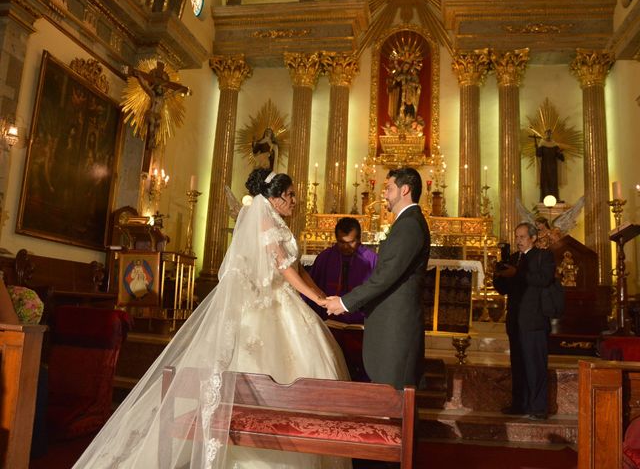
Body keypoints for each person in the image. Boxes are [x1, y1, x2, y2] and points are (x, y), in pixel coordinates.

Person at [73, 168, 350, 469]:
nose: (297, 200)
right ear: (275, 197)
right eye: (291, 195)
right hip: (268, 307)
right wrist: (318, 300)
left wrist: (322, 297)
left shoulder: (276, 220)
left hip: (283, 302)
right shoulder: (266, 221)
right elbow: (283, 268)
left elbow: (298, 268)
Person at [324, 167, 430, 390]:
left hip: (397, 326)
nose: (385, 194)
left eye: (389, 188)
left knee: (396, 395)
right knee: (393, 397)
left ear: (405, 190)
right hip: (392, 322)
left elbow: (385, 275)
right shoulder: (407, 222)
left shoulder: (410, 224)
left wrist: (344, 302)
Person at [493, 222, 556, 420]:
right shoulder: (513, 258)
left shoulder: (543, 256)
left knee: (535, 364)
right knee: (518, 364)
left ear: (533, 238)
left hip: (534, 320)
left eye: (522, 237)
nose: (518, 241)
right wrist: (498, 274)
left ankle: (538, 407)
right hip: (516, 320)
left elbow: (544, 279)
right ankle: (519, 404)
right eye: (517, 237)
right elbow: (504, 289)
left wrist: (517, 273)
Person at [306, 217, 378, 325]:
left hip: (361, 324)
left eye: (351, 242)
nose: (345, 247)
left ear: (359, 239)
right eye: (341, 242)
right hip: (329, 321)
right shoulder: (325, 257)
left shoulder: (371, 259)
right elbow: (311, 286)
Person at [534, 129, 564, 202]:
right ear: (545, 134)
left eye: (550, 133)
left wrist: (560, 154)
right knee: (545, 182)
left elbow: (561, 158)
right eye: (547, 133)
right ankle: (544, 198)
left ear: (551, 135)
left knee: (553, 182)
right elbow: (538, 154)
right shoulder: (542, 144)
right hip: (545, 167)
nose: (548, 135)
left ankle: (555, 198)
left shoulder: (555, 145)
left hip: (553, 167)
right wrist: (536, 148)